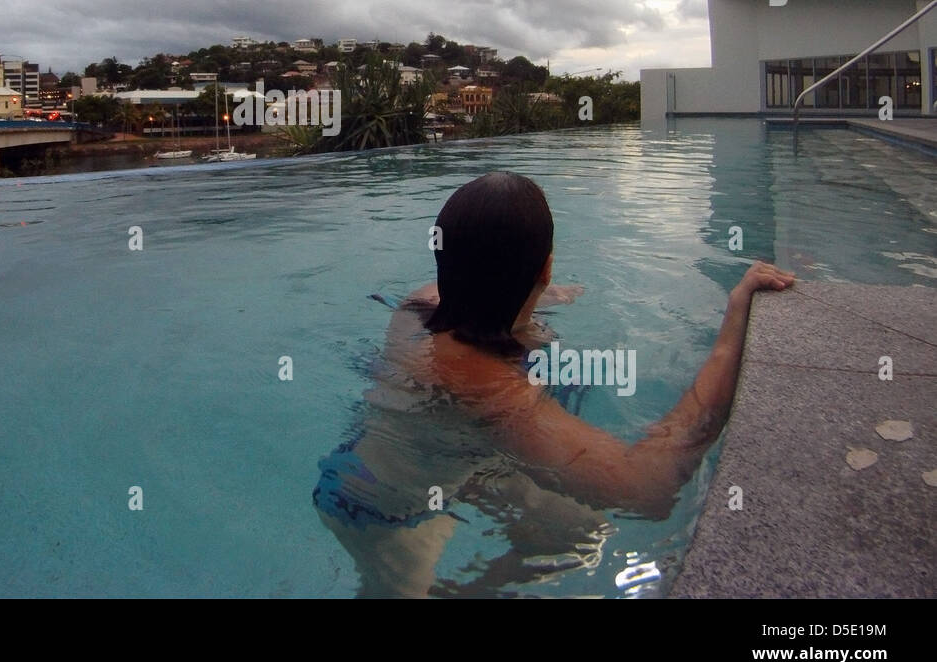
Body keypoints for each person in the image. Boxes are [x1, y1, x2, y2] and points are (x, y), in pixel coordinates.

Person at [314, 170, 795, 597]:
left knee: (578, 531)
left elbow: (480, 284)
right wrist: (732, 336)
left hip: (452, 467)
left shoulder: (421, 304)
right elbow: (646, 490)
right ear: (545, 267)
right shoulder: (490, 388)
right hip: (381, 512)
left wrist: (544, 296)